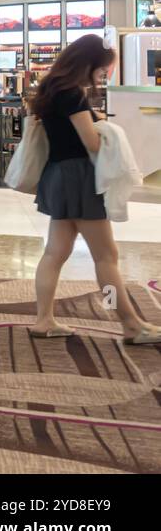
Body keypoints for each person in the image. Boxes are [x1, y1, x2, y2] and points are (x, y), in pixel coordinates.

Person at [28, 36, 160, 343]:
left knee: (55, 252)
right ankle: (129, 323)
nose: (101, 75)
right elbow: (91, 143)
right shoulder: (72, 94)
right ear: (87, 63)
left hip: (57, 175)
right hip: (80, 177)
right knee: (106, 255)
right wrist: (104, 131)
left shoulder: (51, 90)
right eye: (100, 69)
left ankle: (43, 320)